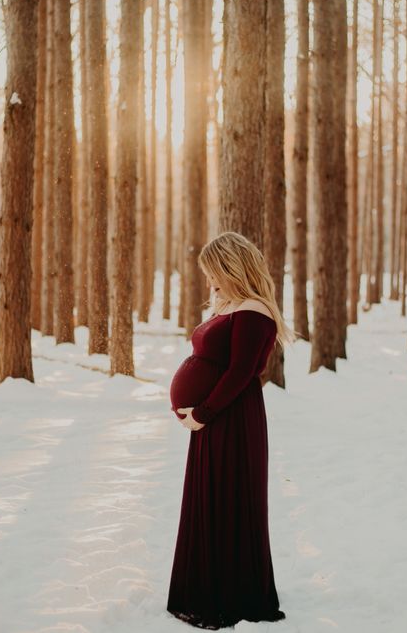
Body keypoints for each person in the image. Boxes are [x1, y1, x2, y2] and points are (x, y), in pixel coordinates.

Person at [166, 231, 296, 629]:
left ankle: (231, 593)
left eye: (214, 273)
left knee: (228, 497)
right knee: (212, 497)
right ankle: (210, 584)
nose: (210, 282)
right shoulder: (232, 306)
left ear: (231, 267)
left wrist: (203, 411)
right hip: (216, 417)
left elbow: (242, 372)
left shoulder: (254, 310)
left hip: (231, 419)